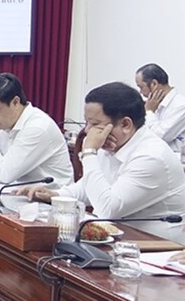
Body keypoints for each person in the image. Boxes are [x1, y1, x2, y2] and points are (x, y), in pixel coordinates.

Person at [19, 82, 185, 243]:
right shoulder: (114, 143)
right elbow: (89, 187)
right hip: (121, 238)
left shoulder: (151, 157)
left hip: (158, 246)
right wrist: (56, 195)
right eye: (87, 122)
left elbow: (108, 209)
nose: (87, 131)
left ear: (125, 124)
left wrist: (89, 153)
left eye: (95, 124)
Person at [0, 73, 73, 185]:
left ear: (15, 102)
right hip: (21, 191)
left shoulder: (37, 128)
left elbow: (4, 174)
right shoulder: (5, 123)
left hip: (51, 194)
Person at [135, 63, 185, 153]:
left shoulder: (181, 106)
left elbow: (160, 136)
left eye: (141, 87)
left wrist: (148, 112)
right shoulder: (154, 103)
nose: (141, 92)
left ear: (154, 84)